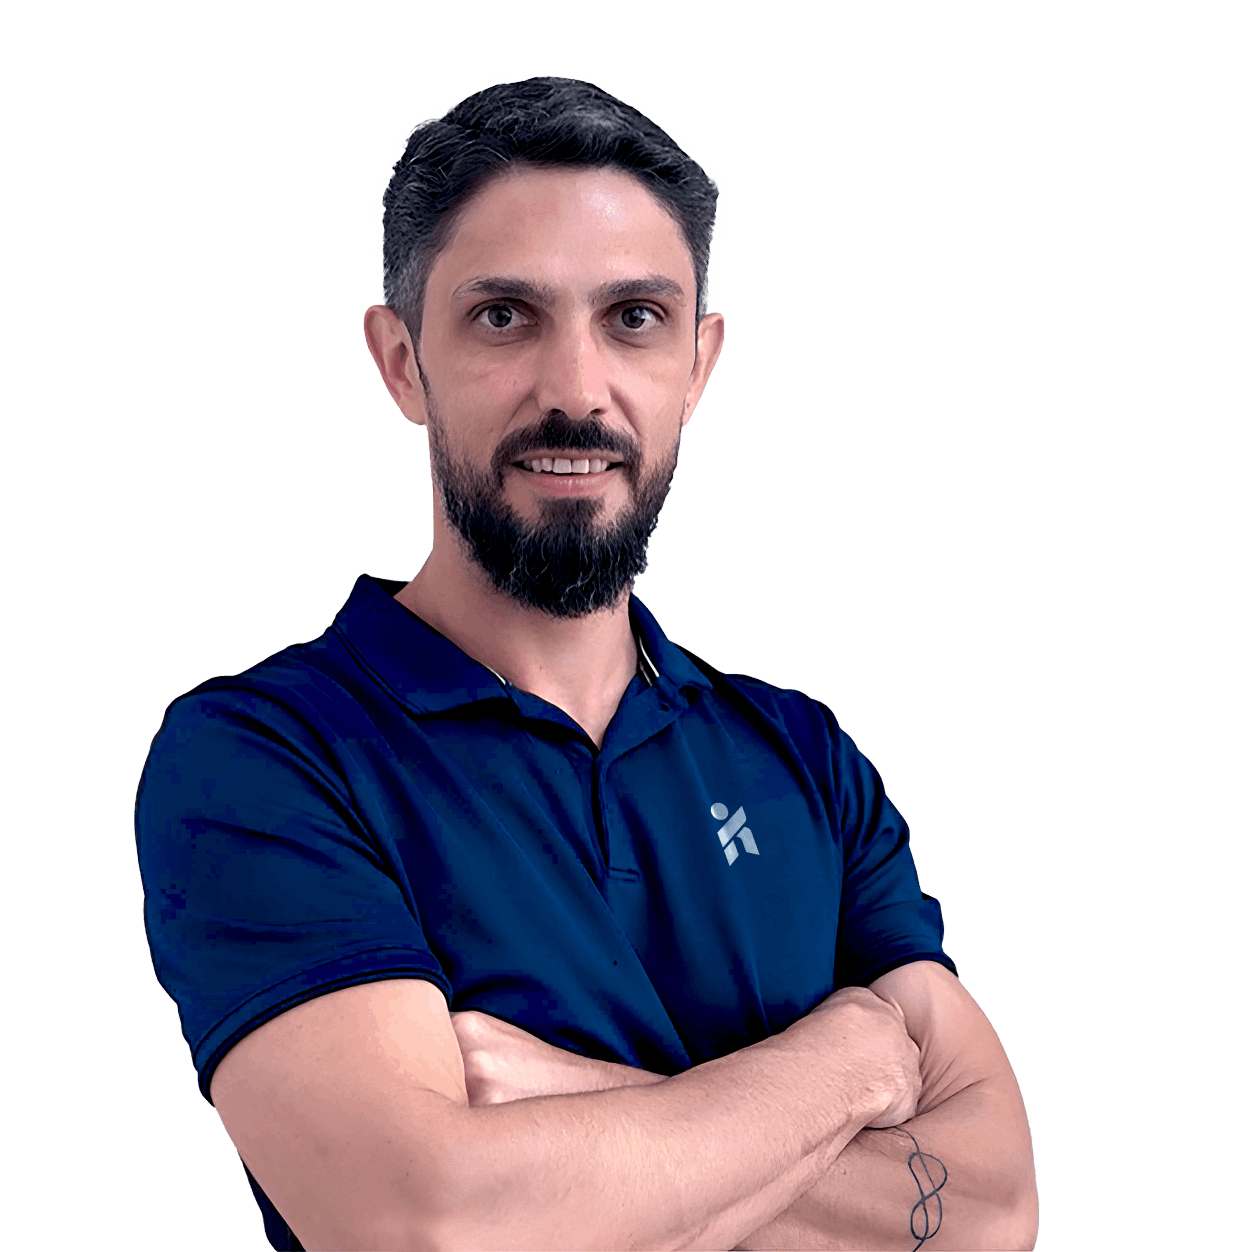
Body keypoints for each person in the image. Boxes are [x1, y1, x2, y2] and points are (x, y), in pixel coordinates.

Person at [136, 75, 1038, 1251]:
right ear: (401, 361)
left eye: (633, 318)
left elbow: (992, 1212)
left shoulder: (806, 759)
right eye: (504, 316)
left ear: (698, 364)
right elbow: (425, 1223)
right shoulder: (264, 757)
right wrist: (847, 1064)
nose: (574, 391)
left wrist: (568, 1101)